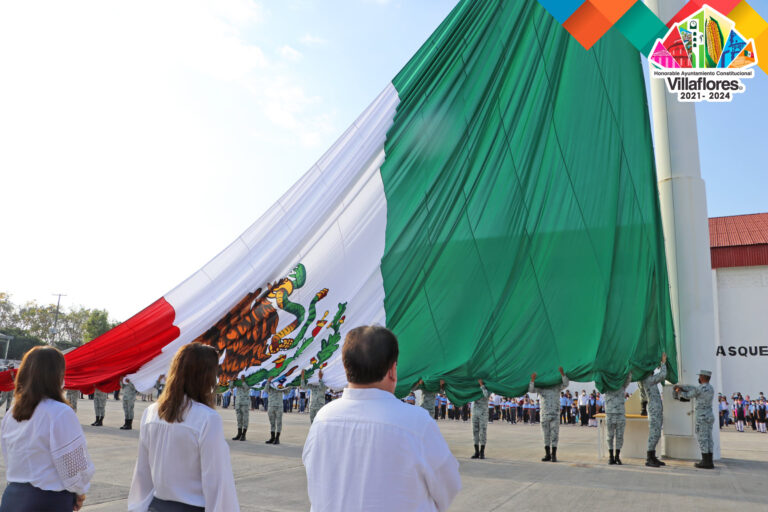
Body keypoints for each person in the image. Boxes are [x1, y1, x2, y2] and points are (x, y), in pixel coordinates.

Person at [302, 325, 460, 511]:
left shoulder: (323, 419)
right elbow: (449, 486)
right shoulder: (416, 423)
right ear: (392, 371)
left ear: (346, 368)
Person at [128, 342, 239, 511]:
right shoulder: (207, 419)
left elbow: (142, 474)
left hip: (155, 506)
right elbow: (217, 481)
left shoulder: (151, 412)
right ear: (205, 376)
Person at [0, 346, 94, 512]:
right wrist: (80, 491)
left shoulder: (12, 412)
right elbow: (74, 466)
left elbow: (8, 456)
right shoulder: (59, 412)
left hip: (12, 498)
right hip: (46, 501)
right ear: (56, 375)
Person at [674, 369, 716, 469]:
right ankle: (709, 460)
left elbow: (688, 396)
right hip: (709, 416)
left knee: (702, 438)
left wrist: (679, 391)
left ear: (702, 377)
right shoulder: (711, 388)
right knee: (709, 439)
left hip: (702, 417)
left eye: (699, 376)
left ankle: (705, 462)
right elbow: (694, 389)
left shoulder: (700, 388)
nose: (698, 378)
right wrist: (685, 387)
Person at [529, 367, 569, 462]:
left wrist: (562, 373)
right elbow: (531, 390)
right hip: (544, 414)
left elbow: (566, 383)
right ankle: (547, 454)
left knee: (555, 435)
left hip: (555, 414)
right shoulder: (541, 388)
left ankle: (554, 455)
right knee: (545, 435)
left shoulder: (557, 387)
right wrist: (533, 379)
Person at [641, 352, 667, 468]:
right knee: (654, 433)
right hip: (654, 408)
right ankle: (649, 458)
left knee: (656, 434)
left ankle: (652, 456)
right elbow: (663, 374)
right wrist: (663, 363)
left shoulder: (648, 379)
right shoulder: (647, 379)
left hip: (655, 408)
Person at [604, 372, 631, 465]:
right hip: (610, 413)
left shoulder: (622, 384)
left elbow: (628, 378)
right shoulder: (606, 385)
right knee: (609, 437)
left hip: (620, 414)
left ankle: (617, 456)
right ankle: (611, 457)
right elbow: (598, 382)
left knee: (619, 437)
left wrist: (628, 369)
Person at [265, 376, 292, 445]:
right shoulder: (270, 384)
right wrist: (268, 381)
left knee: (279, 423)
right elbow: (265, 390)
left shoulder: (280, 384)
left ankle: (277, 438)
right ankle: (272, 437)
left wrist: (290, 384)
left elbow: (286, 392)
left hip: (279, 406)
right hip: (271, 405)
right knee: (272, 423)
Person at [471, 379, 490, 460]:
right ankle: (476, 452)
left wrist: (482, 385)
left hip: (483, 413)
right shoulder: (475, 387)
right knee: (475, 431)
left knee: (483, 431)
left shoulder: (488, 387)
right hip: (475, 412)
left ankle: (482, 452)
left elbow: (487, 395)